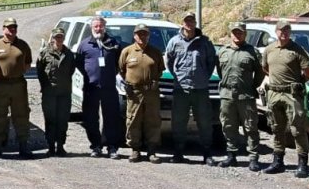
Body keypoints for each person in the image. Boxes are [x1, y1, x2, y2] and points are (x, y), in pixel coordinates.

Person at [164, 12, 219, 164]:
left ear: (195, 23)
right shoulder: (174, 42)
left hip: (200, 89)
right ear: (182, 23)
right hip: (181, 89)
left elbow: (211, 62)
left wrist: (203, 77)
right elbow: (169, 62)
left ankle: (207, 153)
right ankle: (178, 152)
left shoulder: (205, 42)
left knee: (205, 122)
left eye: (191, 21)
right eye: (186, 21)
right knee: (179, 122)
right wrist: (178, 77)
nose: (189, 24)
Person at [261, 20, 309, 177]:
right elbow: (265, 68)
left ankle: (302, 164)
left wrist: (297, 83)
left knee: (297, 129)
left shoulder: (297, 49)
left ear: (290, 32)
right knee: (276, 128)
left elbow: (308, 73)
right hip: (274, 93)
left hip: (292, 95)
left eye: (287, 30)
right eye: (281, 30)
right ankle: (278, 162)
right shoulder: (269, 49)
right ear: (276, 31)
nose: (284, 33)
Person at [216, 21, 265, 170]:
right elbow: (220, 71)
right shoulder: (223, 51)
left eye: (240, 32)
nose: (237, 35)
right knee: (228, 125)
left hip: (246, 95)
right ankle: (231, 155)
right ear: (230, 34)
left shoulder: (252, 52)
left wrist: (252, 86)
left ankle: (253, 158)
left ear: (245, 34)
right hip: (227, 95)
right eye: (235, 32)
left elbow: (260, 72)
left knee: (250, 126)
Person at [74, 16, 124, 159]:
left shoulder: (114, 44)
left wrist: (109, 74)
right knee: (90, 118)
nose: (98, 29)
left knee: (111, 118)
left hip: (109, 87)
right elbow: (79, 63)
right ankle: (96, 146)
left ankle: (112, 147)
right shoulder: (84, 44)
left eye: (101, 26)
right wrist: (90, 75)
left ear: (105, 27)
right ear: (91, 28)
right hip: (91, 88)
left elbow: (119, 63)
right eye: (95, 26)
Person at [0, 18, 34, 158]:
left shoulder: (23, 45)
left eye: (14, 27)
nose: (12, 30)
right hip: (0, 85)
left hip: (18, 85)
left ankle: (23, 145)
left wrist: (19, 71)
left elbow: (28, 63)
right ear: (3, 29)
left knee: (21, 115)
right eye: (9, 27)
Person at [119, 24, 165, 163]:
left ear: (148, 36)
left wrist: (154, 81)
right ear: (134, 36)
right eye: (139, 34)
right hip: (134, 92)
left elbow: (160, 70)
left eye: (145, 34)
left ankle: (152, 151)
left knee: (153, 121)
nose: (142, 36)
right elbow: (121, 70)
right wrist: (131, 82)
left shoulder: (155, 52)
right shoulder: (127, 51)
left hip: (151, 92)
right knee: (133, 120)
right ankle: (135, 150)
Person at [36, 28, 75, 156]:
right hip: (49, 93)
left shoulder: (69, 54)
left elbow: (71, 70)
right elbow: (40, 71)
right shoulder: (45, 53)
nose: (59, 39)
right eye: (56, 37)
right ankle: (51, 146)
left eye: (61, 37)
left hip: (64, 92)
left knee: (63, 120)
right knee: (50, 120)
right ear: (52, 38)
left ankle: (61, 146)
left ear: (64, 38)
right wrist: (45, 86)